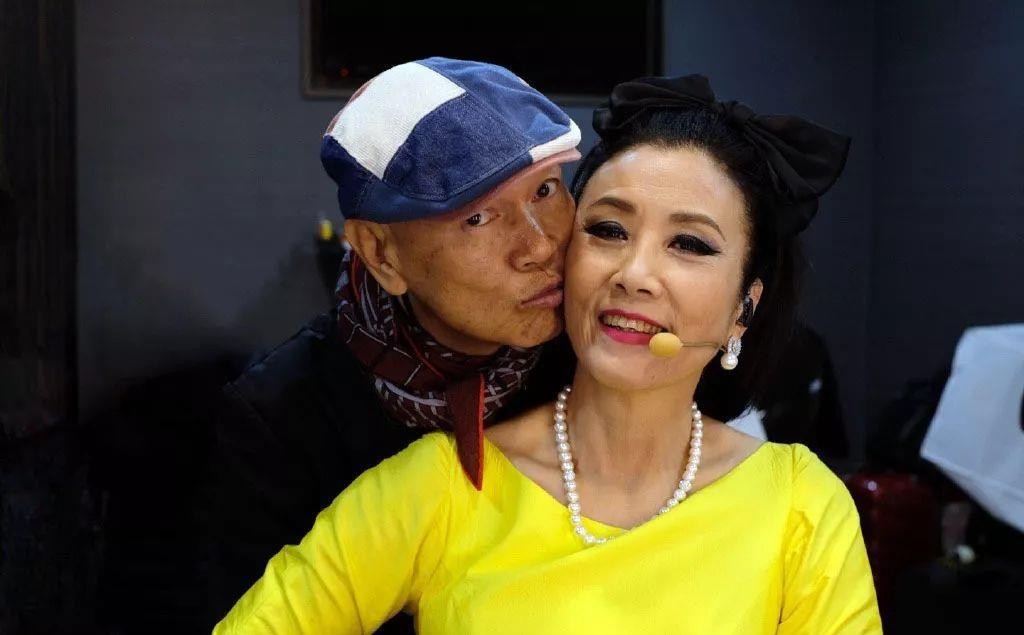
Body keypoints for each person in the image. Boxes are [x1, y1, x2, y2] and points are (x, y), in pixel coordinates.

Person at [213, 74, 882, 634]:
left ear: (745, 307)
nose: (635, 274)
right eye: (609, 229)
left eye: (690, 244)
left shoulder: (801, 505)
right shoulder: (439, 484)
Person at [200, 57, 581, 630]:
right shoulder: (281, 417)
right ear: (381, 253)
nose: (539, 245)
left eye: (546, 189)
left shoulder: (593, 360)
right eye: (478, 218)